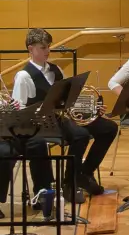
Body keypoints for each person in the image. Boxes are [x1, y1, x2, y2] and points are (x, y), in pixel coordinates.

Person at [12, 28, 117, 207]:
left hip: (62, 118)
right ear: (31, 49)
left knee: (109, 128)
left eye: (49, 47)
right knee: (80, 134)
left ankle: (84, 173)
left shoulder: (56, 69)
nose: (48, 51)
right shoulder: (23, 76)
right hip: (42, 124)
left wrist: (92, 109)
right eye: (43, 47)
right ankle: (70, 182)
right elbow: (19, 111)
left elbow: (70, 98)